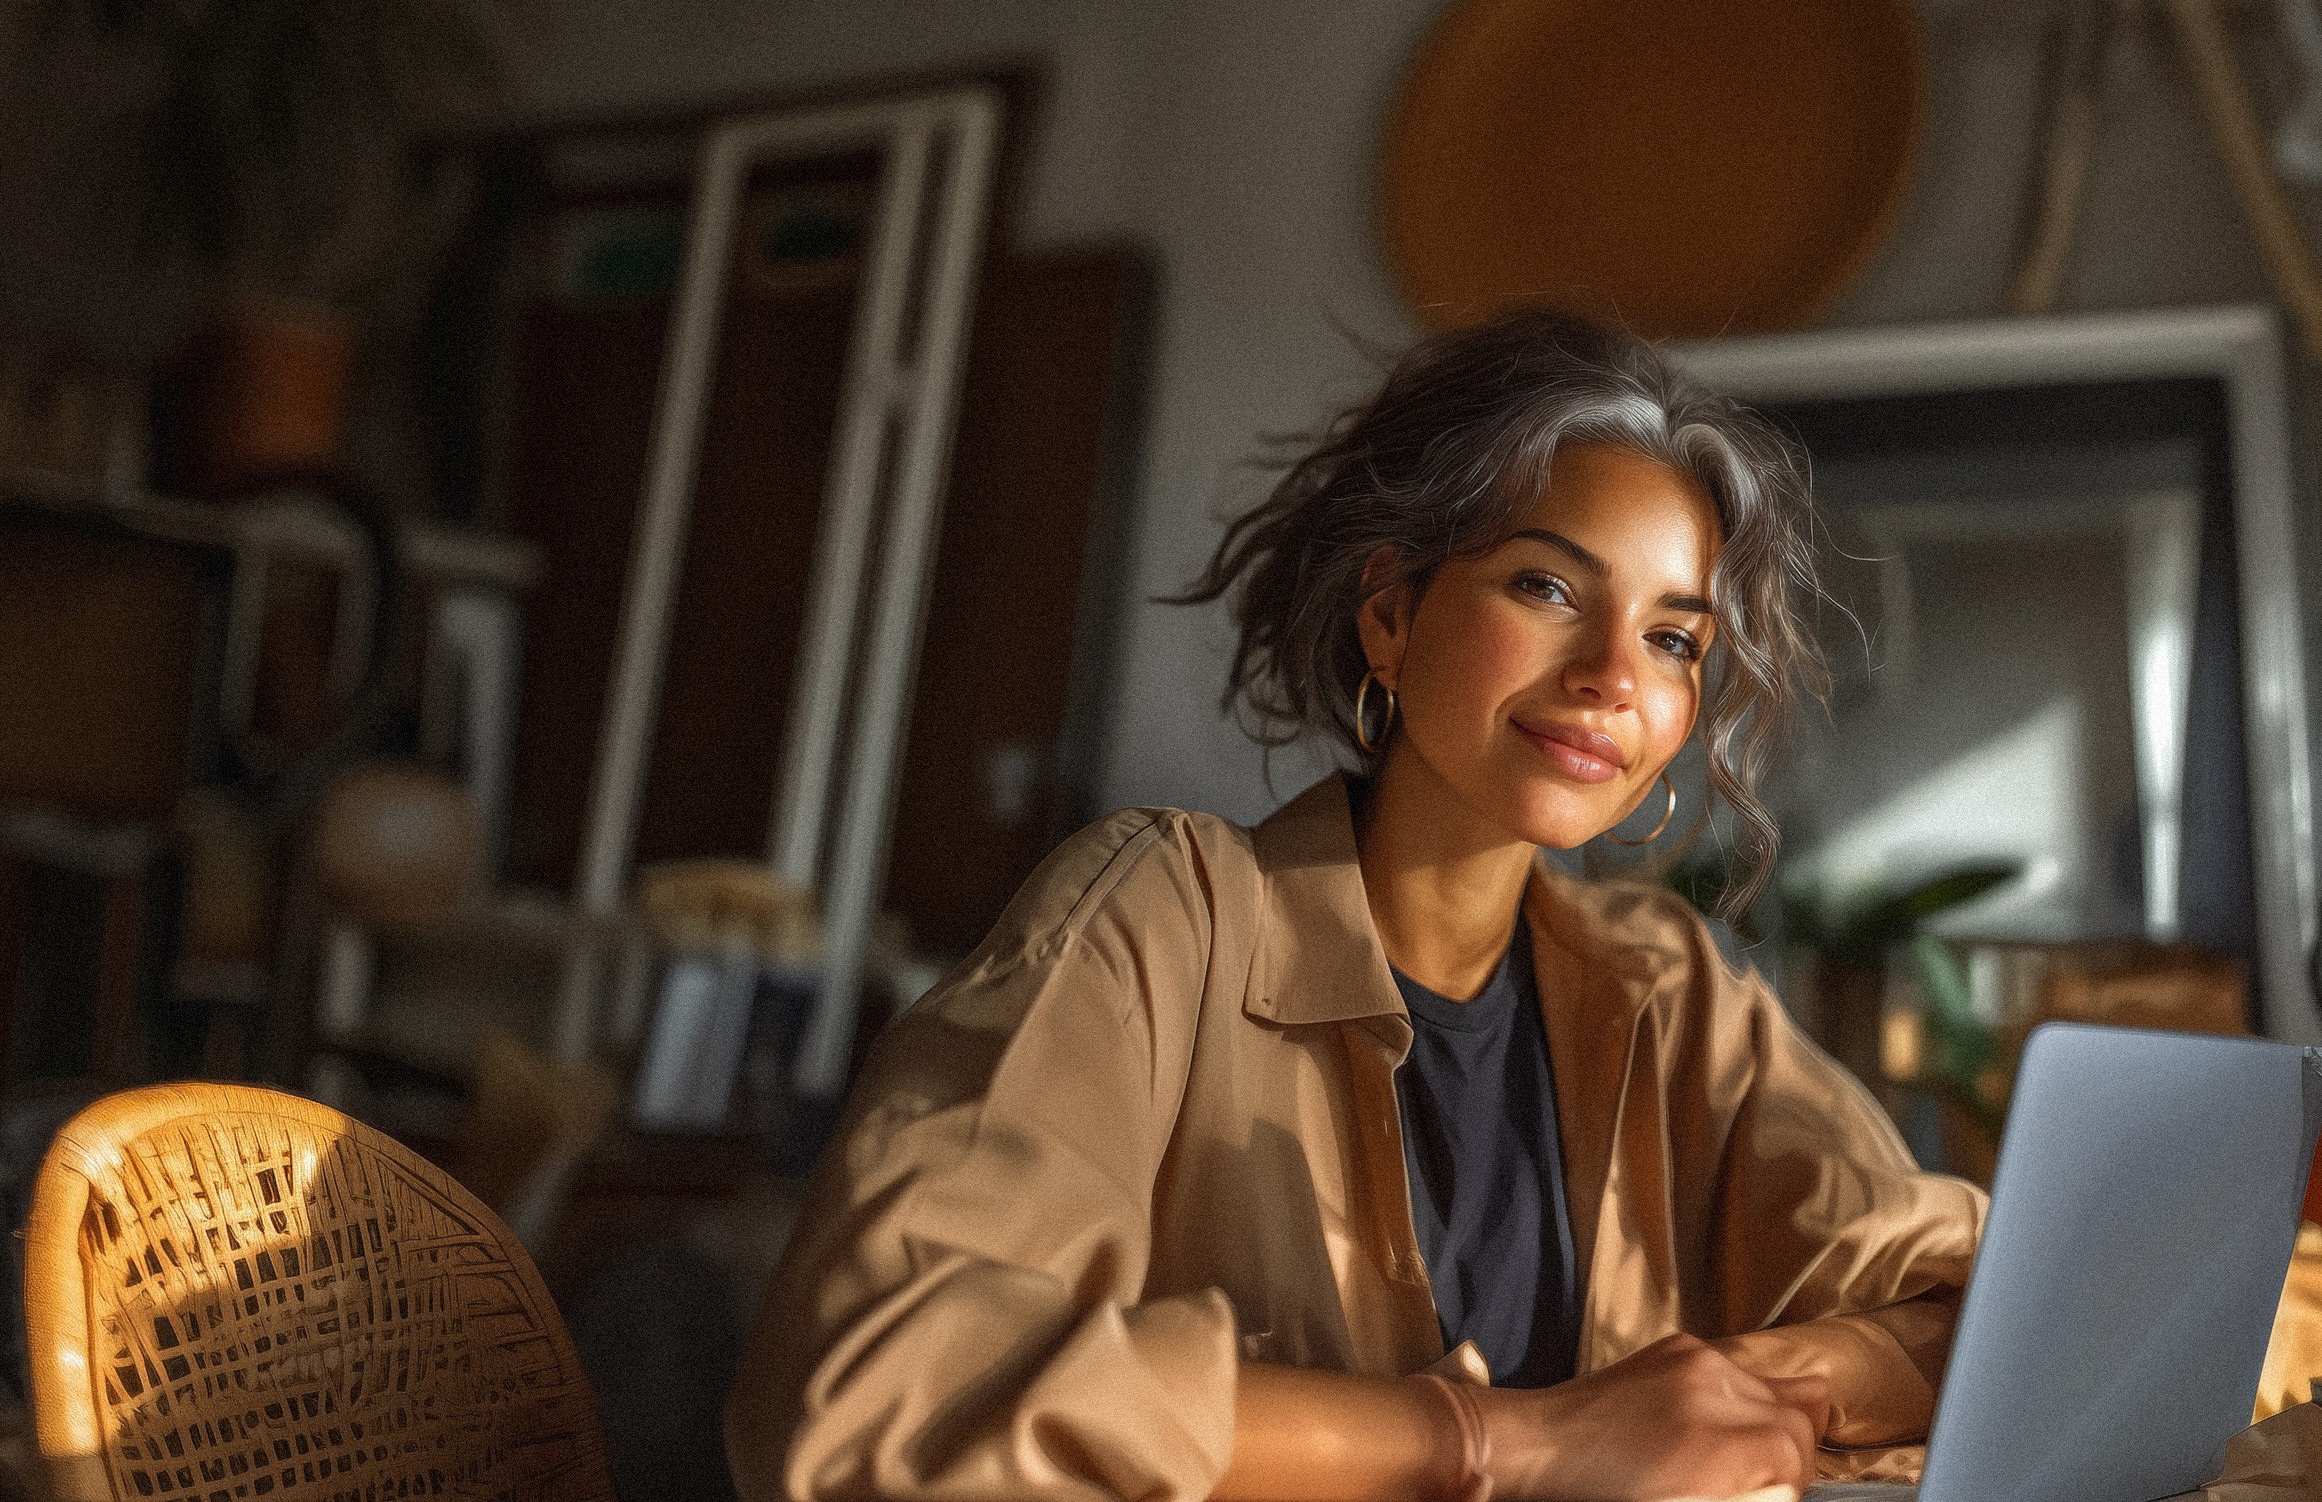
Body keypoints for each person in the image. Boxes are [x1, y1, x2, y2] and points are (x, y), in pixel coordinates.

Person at [724, 311, 1987, 1502]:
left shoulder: (1664, 988)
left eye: (1674, 639)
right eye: (1548, 589)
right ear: (1391, 613)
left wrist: (1726, 1392)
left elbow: (1986, 1309)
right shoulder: (1167, 913)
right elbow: (877, 1384)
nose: (1613, 677)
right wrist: (1520, 1440)